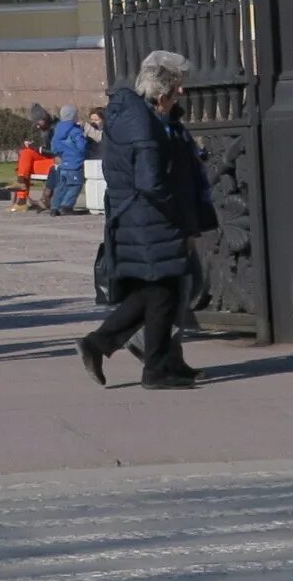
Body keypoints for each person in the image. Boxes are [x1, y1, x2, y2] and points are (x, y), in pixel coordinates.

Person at [79, 50, 215, 390]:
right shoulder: (142, 122)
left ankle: (153, 360)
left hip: (145, 217)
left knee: (162, 291)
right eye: (177, 87)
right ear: (162, 89)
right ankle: (136, 358)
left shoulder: (144, 117)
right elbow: (150, 180)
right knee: (161, 290)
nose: (181, 93)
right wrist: (174, 212)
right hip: (150, 219)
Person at [47, 104, 91, 215]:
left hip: (63, 163)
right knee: (76, 185)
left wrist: (59, 154)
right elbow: (81, 146)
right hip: (74, 163)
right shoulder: (75, 131)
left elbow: (54, 146)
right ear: (72, 116)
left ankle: (54, 206)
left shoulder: (58, 130)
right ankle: (66, 205)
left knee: (61, 186)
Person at [14, 103, 54, 212]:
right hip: (44, 159)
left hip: (55, 161)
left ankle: (21, 198)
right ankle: (21, 195)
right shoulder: (42, 129)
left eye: (38, 122)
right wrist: (32, 146)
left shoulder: (55, 129)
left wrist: (38, 149)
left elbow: (56, 151)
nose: (37, 126)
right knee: (26, 153)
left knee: (24, 166)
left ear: (44, 118)